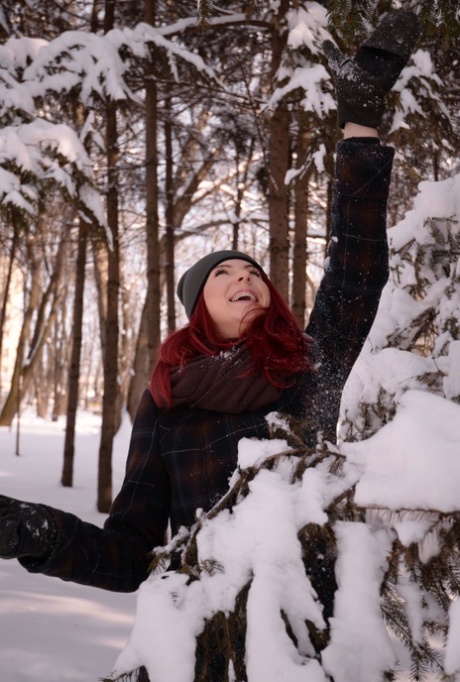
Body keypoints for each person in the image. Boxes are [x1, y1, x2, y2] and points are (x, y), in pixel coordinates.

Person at [0, 1, 419, 652]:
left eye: (252, 271)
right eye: (224, 274)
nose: (244, 277)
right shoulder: (167, 405)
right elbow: (131, 552)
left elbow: (356, 267)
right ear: (200, 306)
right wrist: (37, 533)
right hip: (209, 645)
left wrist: (359, 122)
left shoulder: (308, 365)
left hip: (315, 635)